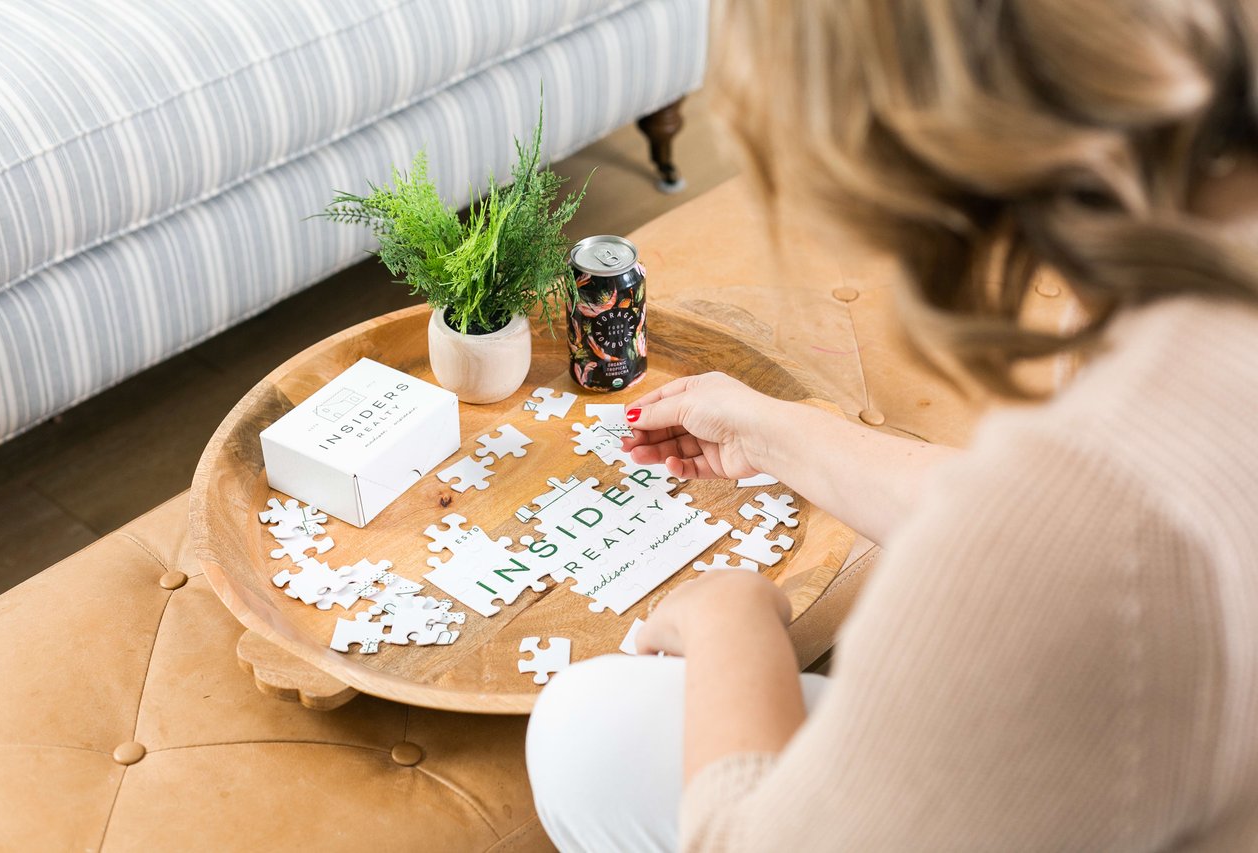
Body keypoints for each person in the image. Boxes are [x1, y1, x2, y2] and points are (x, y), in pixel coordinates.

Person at [526, 0, 1258, 849]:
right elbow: (1045, 518)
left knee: (580, 726)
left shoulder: (1094, 538)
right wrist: (776, 431)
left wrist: (731, 619)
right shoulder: (1193, 310)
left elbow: (1062, 540)